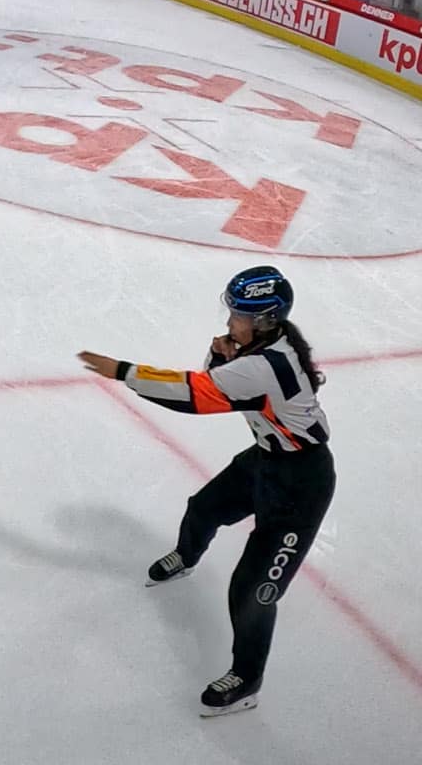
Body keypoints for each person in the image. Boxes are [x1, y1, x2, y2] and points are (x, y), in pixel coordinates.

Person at [77, 266, 333, 717]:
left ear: (266, 321)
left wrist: (124, 372)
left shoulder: (265, 366)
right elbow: (220, 383)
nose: (230, 320)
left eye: (239, 315)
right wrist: (220, 354)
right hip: (268, 461)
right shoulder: (261, 350)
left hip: (301, 486)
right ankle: (187, 555)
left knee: (253, 591)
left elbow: (193, 394)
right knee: (203, 508)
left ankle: (247, 680)